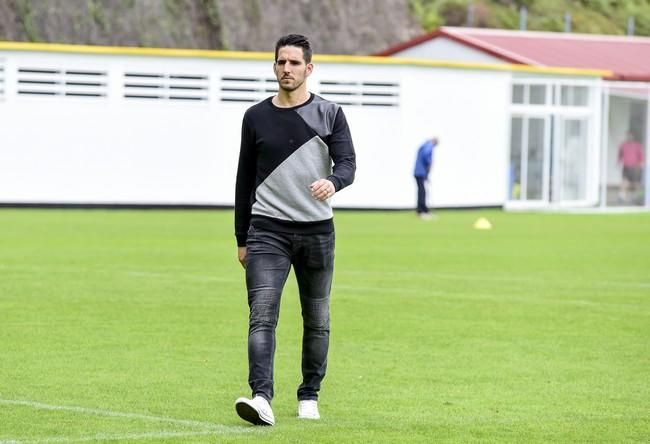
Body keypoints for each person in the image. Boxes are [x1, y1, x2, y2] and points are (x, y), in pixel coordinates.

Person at [233, 34, 356, 426]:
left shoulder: (330, 114)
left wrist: (334, 182)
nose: (287, 69)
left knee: (317, 318)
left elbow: (349, 164)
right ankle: (261, 398)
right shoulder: (255, 117)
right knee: (262, 315)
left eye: (294, 63)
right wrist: (241, 238)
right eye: (281, 62)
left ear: (309, 68)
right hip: (266, 231)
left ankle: (309, 395)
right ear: (274, 67)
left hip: (317, 233)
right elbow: (243, 180)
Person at [413, 137, 438, 219]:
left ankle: (422, 209)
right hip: (421, 172)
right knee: (422, 191)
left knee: (421, 190)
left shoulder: (423, 145)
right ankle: (422, 210)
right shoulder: (429, 146)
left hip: (418, 171)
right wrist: (429, 163)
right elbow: (426, 156)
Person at [618, 130, 644, 204]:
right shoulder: (623, 145)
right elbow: (620, 155)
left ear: (633, 137)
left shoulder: (637, 145)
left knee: (636, 182)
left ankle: (636, 197)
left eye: (631, 135)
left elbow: (641, 156)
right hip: (626, 166)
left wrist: (641, 164)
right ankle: (622, 196)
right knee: (624, 181)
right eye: (628, 135)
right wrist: (619, 162)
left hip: (635, 167)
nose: (629, 137)